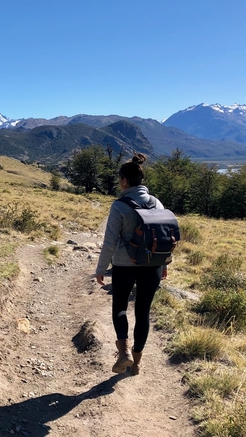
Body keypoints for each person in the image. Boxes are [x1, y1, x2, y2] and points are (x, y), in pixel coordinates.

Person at [94, 153, 167, 375]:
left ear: (125, 180)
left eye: (119, 179)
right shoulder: (157, 202)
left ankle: (123, 352)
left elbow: (109, 242)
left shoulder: (119, 206)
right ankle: (136, 363)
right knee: (143, 311)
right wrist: (163, 265)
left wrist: (100, 269)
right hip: (152, 264)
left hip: (124, 265)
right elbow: (162, 237)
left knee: (120, 307)